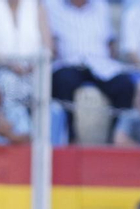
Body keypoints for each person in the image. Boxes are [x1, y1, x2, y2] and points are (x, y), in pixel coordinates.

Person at [46, 0, 134, 142]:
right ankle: (70, 138)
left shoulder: (101, 6)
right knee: (62, 81)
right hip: (69, 62)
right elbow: (51, 42)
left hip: (100, 63)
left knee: (124, 85)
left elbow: (110, 42)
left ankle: (116, 138)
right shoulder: (52, 6)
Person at [0, 0, 48, 105]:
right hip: (3, 68)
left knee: (42, 88)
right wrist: (10, 65)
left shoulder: (37, 5)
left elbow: (48, 46)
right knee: (7, 83)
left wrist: (32, 66)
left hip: (34, 69)